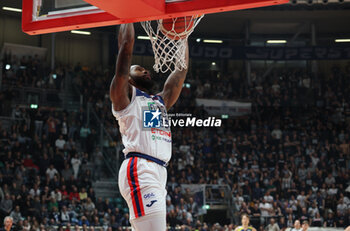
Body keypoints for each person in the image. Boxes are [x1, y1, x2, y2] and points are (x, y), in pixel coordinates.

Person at [110, 23, 189, 231]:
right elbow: (126, 48)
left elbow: (181, 70)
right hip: (140, 168)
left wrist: (184, 32)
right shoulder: (125, 98)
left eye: (144, 69)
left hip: (158, 171)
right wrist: (128, 15)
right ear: (128, 77)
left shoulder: (160, 101)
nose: (145, 70)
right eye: (138, 69)